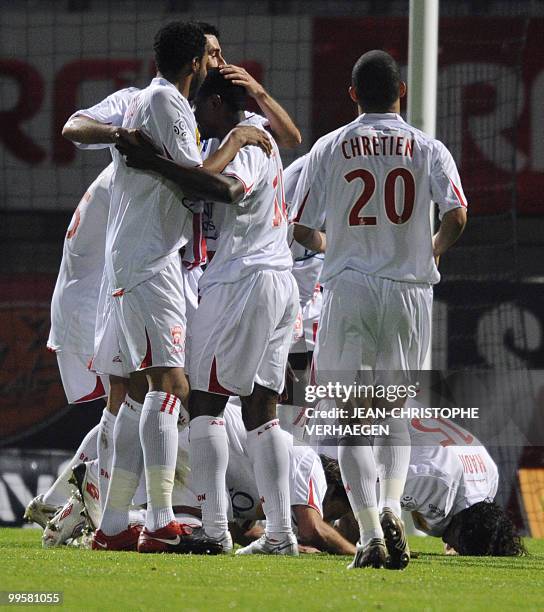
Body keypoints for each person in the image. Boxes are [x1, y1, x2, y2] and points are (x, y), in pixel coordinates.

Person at [292, 50, 468, 569]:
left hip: (349, 290)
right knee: (392, 410)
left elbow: (299, 224)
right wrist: (428, 250)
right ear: (403, 92)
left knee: (350, 417)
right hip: (409, 291)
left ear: (352, 95)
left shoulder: (331, 146)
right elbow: (457, 214)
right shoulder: (428, 147)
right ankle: (393, 508)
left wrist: (338, 246)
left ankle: (370, 534)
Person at [117, 68, 300, 555]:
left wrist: (155, 164)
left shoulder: (249, 142)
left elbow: (226, 190)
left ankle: (215, 530)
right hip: (274, 280)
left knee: (205, 402)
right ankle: (281, 534)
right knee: (263, 410)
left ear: (217, 104)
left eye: (200, 109)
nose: (195, 118)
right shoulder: (243, 138)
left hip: (244, 281)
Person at [313, 412, 525, 557]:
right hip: (350, 419)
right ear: (463, 532)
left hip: (384, 410)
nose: (454, 550)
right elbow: (356, 485)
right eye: (463, 548)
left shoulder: (489, 478)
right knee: (347, 503)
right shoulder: (436, 485)